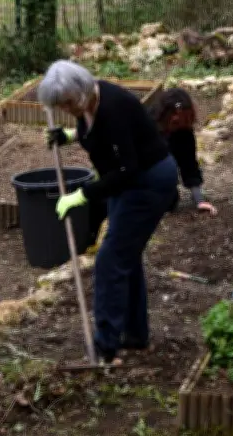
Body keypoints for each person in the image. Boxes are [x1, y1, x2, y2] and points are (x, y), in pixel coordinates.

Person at [39, 60, 179, 364]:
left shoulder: (113, 107)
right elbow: (99, 134)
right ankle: (135, 336)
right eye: (60, 105)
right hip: (126, 184)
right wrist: (70, 135)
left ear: (81, 91)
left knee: (110, 260)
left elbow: (127, 168)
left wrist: (82, 194)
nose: (66, 109)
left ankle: (106, 347)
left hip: (148, 184)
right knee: (125, 257)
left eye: (67, 103)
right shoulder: (88, 104)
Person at [148, 87, 218, 216]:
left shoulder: (184, 132)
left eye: (187, 120)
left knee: (170, 201)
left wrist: (199, 200)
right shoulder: (146, 127)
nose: (182, 124)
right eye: (176, 122)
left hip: (163, 184)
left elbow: (189, 164)